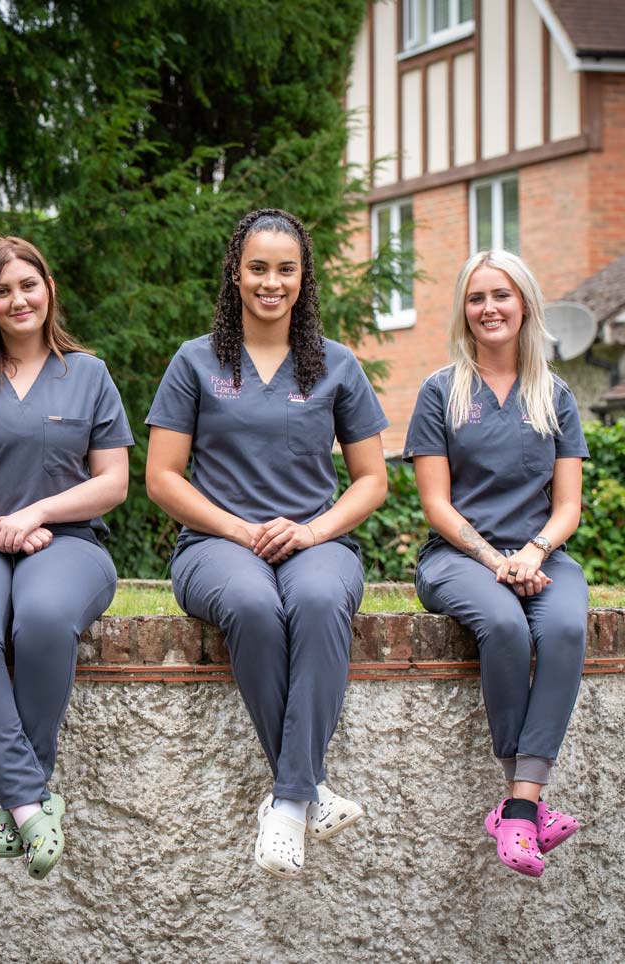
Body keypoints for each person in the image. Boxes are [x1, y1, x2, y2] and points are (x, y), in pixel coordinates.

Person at [145, 209, 389, 879]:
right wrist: (236, 529)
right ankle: (307, 792)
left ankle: (286, 803)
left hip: (316, 539)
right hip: (215, 544)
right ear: (235, 272)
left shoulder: (336, 365)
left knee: (317, 601)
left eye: (286, 269)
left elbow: (373, 481)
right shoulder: (195, 361)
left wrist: (311, 530)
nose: (270, 282)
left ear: (304, 278)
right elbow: (161, 477)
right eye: (257, 268)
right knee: (253, 605)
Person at [0, 236, 132, 880]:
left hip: (69, 543)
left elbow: (114, 482)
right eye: (1, 291)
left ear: (49, 288)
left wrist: (34, 515)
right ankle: (32, 805)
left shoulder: (87, 374)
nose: (18, 300)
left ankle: (18, 802)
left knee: (42, 617)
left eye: (28, 285)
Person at [403, 249, 588, 878]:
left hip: (542, 555)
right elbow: (436, 505)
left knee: (564, 627)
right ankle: (526, 810)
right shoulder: (440, 391)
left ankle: (518, 806)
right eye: (476, 297)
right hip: (458, 558)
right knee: (505, 625)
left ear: (525, 304)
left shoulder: (554, 394)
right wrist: (494, 560)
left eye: (501, 295)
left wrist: (534, 552)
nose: (489, 308)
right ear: (464, 310)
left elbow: (568, 506)